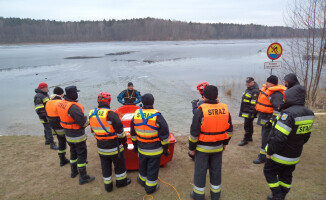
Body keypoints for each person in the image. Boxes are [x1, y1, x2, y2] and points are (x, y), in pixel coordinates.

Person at [264, 73, 314, 200]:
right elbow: (306, 136)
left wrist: (270, 151)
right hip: (295, 155)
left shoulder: (288, 114)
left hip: (280, 155)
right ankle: (282, 195)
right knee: (286, 176)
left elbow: (279, 137)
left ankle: (277, 195)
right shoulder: (310, 113)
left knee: (269, 172)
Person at [189, 85, 233, 200]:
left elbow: (194, 133)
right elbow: (230, 131)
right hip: (218, 147)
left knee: (200, 171)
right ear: (217, 95)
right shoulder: (225, 109)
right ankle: (215, 195)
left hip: (202, 148)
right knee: (216, 171)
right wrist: (225, 143)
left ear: (204, 96)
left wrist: (192, 148)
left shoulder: (201, 110)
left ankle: (198, 195)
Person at [89, 92, 131, 192]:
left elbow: (93, 130)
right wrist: (124, 143)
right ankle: (121, 183)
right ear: (109, 101)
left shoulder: (92, 113)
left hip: (101, 146)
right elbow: (120, 132)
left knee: (105, 166)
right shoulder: (112, 114)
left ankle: (108, 186)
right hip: (114, 146)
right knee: (119, 165)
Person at [130, 93, 170, 194]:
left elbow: (133, 134)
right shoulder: (157, 116)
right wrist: (166, 149)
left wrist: (135, 146)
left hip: (141, 148)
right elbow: (164, 135)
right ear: (153, 102)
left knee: (142, 165)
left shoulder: (136, 114)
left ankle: (142, 180)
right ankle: (150, 188)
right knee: (152, 168)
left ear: (142, 102)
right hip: (155, 150)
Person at [57, 86, 95, 185]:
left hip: (68, 134)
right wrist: (89, 120)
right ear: (73, 94)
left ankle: (74, 172)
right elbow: (82, 122)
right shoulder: (73, 107)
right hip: (77, 135)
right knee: (82, 155)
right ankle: (83, 177)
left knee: (73, 152)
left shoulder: (61, 103)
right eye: (76, 92)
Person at [253, 75, 286, 164]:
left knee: (266, 137)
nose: (266, 83)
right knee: (265, 136)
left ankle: (263, 157)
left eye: (268, 82)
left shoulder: (276, 94)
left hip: (269, 119)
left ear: (272, 84)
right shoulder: (268, 91)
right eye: (267, 82)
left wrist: (272, 120)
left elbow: (278, 109)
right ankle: (266, 154)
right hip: (264, 117)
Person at [45, 87, 69, 166]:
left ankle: (62, 160)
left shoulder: (48, 102)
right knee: (72, 144)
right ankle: (75, 160)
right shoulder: (60, 102)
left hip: (53, 127)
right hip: (61, 126)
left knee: (61, 143)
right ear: (61, 94)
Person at [34, 82, 58, 150]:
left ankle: (47, 141)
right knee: (49, 130)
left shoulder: (44, 94)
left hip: (47, 115)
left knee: (46, 128)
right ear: (42, 88)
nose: (48, 88)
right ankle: (52, 144)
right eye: (46, 87)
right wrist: (44, 117)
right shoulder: (38, 96)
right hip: (44, 116)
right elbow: (39, 108)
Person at [238, 77, 259, 146]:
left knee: (247, 125)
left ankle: (245, 139)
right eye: (247, 82)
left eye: (249, 82)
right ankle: (249, 137)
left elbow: (254, 103)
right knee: (249, 125)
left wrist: (251, 112)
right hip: (246, 111)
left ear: (253, 82)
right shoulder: (249, 89)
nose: (247, 83)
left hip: (249, 112)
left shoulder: (255, 91)